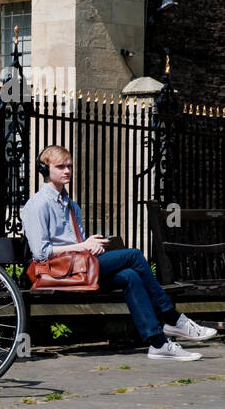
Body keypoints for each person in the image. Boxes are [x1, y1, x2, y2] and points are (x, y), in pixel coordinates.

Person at [23, 145, 216, 361]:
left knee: (130, 276)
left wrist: (93, 246)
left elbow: (80, 245)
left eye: (69, 166)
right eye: (60, 167)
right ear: (44, 169)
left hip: (79, 268)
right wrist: (82, 246)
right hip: (56, 272)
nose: (67, 171)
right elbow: (40, 253)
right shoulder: (37, 205)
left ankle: (158, 343)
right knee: (133, 255)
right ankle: (172, 317)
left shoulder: (72, 206)